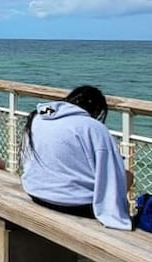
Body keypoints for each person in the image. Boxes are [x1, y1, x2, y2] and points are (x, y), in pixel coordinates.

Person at [21, 86, 131, 236]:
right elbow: (111, 173)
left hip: (36, 192)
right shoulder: (93, 128)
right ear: (97, 110)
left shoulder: (38, 117)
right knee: (128, 176)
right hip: (76, 204)